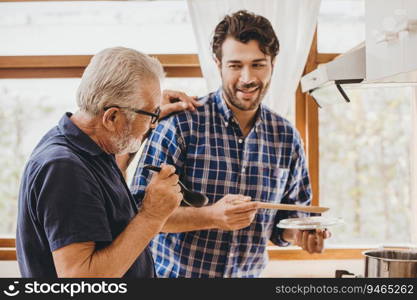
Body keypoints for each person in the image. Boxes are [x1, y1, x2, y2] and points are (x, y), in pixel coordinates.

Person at [131, 10, 331, 278]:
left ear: (273, 64)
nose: (247, 78)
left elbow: (287, 223)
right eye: (236, 65)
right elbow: (139, 215)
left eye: (258, 64)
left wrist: (303, 235)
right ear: (218, 64)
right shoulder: (180, 126)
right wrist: (211, 215)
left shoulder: (287, 138)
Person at [16, 47, 200, 278]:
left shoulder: (89, 145)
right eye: (151, 117)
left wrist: (147, 113)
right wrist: (152, 216)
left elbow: (101, 197)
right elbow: (80, 280)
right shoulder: (64, 170)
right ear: (112, 117)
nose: (153, 125)